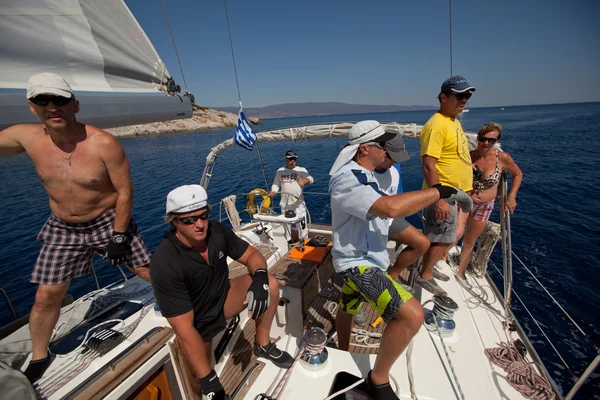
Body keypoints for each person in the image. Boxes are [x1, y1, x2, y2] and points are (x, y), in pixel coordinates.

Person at [0, 73, 151, 382]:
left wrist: (120, 236)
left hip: (108, 219)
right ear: (32, 107)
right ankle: (40, 357)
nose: (52, 107)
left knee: (148, 271)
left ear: (75, 105)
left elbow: (125, 191)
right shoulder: (25, 137)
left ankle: (190, 301)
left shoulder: (102, 143)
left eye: (60, 100)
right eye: (43, 101)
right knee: (46, 296)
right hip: (63, 226)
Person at [329, 120, 471, 400]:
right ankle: (378, 379)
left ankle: (343, 349)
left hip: (366, 259)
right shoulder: (349, 178)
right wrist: (440, 192)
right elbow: (391, 208)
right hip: (356, 264)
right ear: (364, 149)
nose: (387, 150)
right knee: (411, 315)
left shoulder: (367, 175)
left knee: (348, 306)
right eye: (382, 145)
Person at [150, 185, 293, 400]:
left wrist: (261, 276)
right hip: (197, 320)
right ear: (174, 222)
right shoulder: (165, 261)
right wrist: (209, 380)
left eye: (203, 216)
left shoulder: (216, 231)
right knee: (200, 379)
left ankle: (262, 345)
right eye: (189, 220)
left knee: (270, 284)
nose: (199, 224)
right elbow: (184, 328)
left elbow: (251, 254)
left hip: (224, 297)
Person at [418, 75, 475, 296]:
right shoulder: (437, 125)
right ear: (443, 97)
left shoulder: (454, 122)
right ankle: (425, 277)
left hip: (456, 193)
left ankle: (428, 270)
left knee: (445, 237)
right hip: (444, 194)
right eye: (460, 95)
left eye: (467, 95)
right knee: (442, 237)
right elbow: (428, 165)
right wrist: (438, 198)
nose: (464, 99)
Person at [454, 122, 523, 289]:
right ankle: (439, 261)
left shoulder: (502, 158)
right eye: (483, 139)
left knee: (470, 241)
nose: (486, 143)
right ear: (478, 138)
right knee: (456, 232)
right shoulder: (468, 156)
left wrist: (511, 196)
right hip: (465, 201)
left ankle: (461, 272)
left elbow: (518, 174)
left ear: (497, 141)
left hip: (485, 205)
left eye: (491, 140)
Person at [374, 134, 430, 281]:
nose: (394, 162)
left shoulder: (394, 166)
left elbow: (397, 192)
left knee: (422, 243)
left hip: (390, 220)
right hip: (368, 224)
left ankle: (393, 275)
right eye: (392, 157)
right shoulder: (363, 171)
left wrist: (401, 218)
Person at [268, 150, 314, 243]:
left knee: (301, 225)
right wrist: (274, 191)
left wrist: (305, 181)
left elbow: (311, 178)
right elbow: (276, 184)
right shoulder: (280, 171)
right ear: (286, 159)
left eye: (294, 159)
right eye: (290, 158)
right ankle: (289, 242)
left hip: (299, 203)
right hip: (285, 204)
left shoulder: (301, 170)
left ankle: (303, 242)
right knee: (286, 225)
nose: (292, 161)